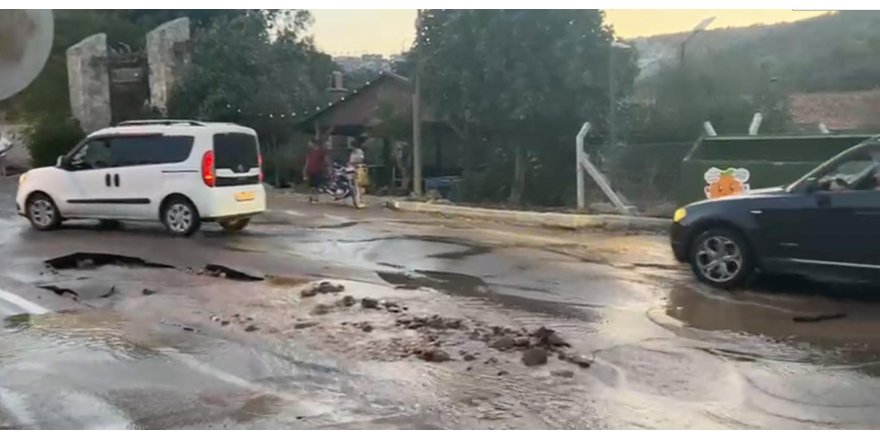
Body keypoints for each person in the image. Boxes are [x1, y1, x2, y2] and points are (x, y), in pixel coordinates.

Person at [303, 138, 328, 202]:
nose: (309, 145)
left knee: (316, 185)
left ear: (314, 144)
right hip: (310, 170)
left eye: (310, 143)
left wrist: (325, 167)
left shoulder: (320, 152)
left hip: (317, 170)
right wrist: (305, 170)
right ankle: (311, 196)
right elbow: (307, 161)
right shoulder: (310, 152)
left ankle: (315, 197)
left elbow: (325, 160)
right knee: (310, 184)